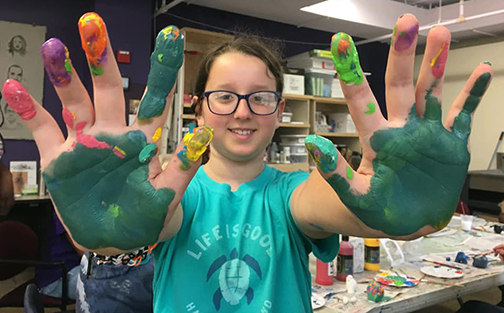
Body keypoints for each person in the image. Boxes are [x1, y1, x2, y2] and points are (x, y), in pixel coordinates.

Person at [1, 12, 493, 312]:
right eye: (224, 96)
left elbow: (331, 205)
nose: (241, 110)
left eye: (260, 97)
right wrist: (108, 226)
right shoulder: (168, 193)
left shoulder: (293, 192)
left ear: (280, 112)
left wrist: (395, 212)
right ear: (197, 107)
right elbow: (158, 219)